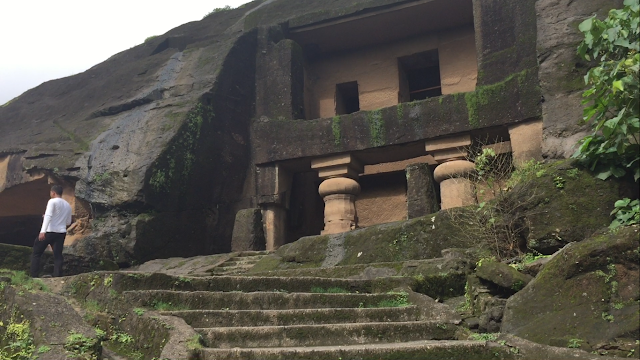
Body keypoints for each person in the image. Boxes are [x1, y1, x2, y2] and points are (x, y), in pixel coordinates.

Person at [30, 185, 72, 278]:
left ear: (53, 193)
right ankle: (57, 276)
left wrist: (42, 231)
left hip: (49, 231)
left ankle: (34, 275)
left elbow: (48, 216)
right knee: (58, 255)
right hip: (61, 232)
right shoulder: (68, 205)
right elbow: (68, 221)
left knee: (36, 253)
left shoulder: (52, 201)